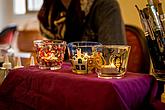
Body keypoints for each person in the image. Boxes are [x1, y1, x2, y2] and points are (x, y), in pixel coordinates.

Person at [37, 0, 127, 45]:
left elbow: (112, 59)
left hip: (94, 79)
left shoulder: (104, 6)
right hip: (62, 79)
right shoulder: (48, 13)